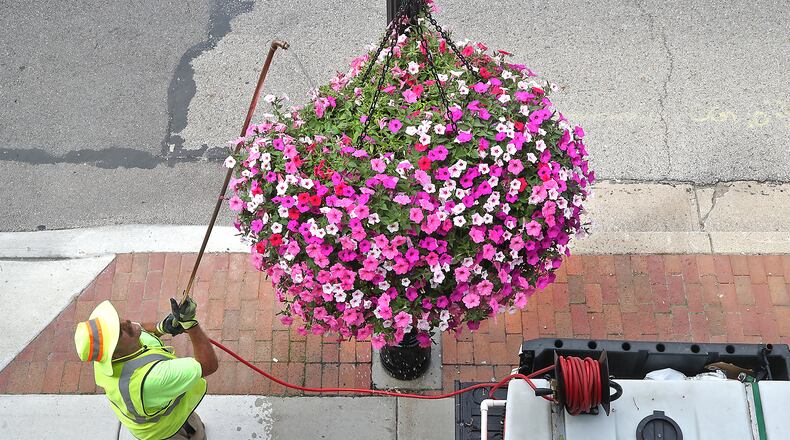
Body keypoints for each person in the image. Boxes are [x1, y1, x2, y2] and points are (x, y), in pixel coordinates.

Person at [74, 297, 218, 439]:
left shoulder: (110, 354)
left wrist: (163, 326)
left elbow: (141, 328)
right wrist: (191, 325)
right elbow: (208, 365)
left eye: (118, 320)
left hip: (163, 409)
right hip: (165, 430)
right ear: (113, 355)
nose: (127, 323)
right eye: (118, 332)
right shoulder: (152, 379)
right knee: (196, 434)